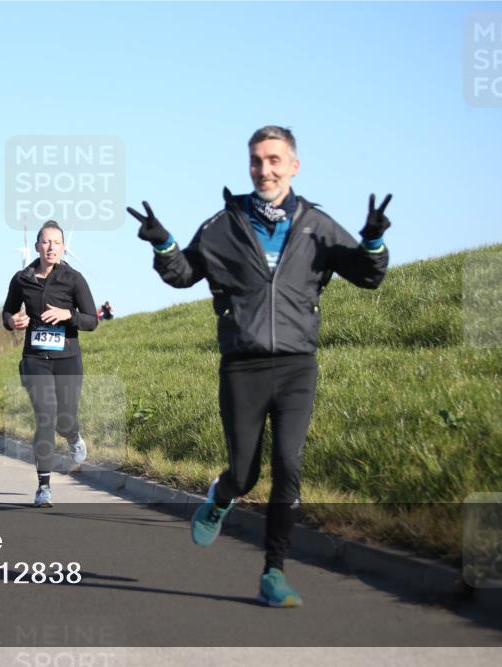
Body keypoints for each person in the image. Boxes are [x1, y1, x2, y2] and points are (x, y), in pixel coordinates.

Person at [128, 125, 391, 608]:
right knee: (245, 474)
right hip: (242, 367)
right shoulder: (222, 225)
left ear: (293, 165)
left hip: (297, 365)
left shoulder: (316, 224)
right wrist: (162, 243)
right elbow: (185, 274)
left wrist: (372, 240)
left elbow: (366, 274)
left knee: (289, 466)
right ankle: (223, 496)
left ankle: (274, 572)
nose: (264, 169)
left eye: (274, 160)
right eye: (256, 161)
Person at [2, 220, 98, 507]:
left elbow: (92, 320)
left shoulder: (74, 279)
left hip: (67, 358)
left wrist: (69, 315)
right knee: (45, 416)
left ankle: (73, 435)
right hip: (35, 359)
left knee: (64, 418)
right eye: (46, 241)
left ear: (64, 247)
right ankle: (43, 485)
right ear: (37, 246)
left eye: (56, 242)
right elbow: (8, 311)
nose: (51, 247)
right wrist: (12, 321)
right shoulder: (21, 278)